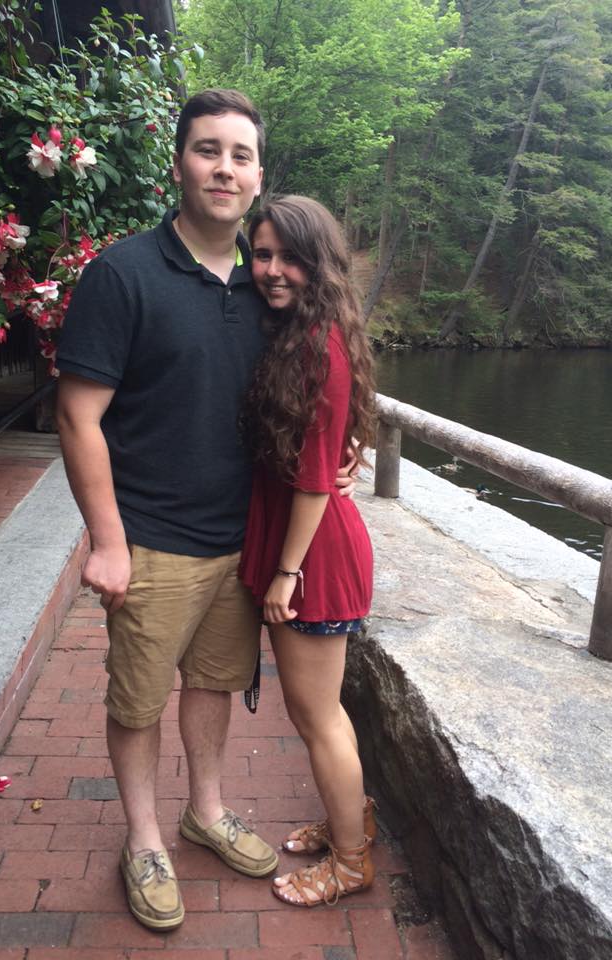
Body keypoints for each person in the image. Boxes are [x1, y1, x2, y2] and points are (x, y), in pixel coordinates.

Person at [55, 90, 356, 932]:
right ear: (180, 162)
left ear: (258, 175)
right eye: (208, 150)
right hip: (152, 539)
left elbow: (322, 381)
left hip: (244, 539)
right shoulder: (123, 274)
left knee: (215, 686)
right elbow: (78, 416)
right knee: (138, 702)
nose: (225, 168)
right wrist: (107, 541)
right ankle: (145, 838)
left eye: (241, 155)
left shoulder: (269, 282)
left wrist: (346, 442)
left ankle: (207, 809)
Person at [239, 195, 378, 907]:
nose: (272, 270)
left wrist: (284, 574)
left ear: (318, 262)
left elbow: (318, 476)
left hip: (314, 558)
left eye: (290, 257)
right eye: (262, 255)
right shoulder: (304, 332)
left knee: (315, 715)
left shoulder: (320, 345)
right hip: (309, 545)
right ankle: (352, 819)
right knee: (323, 712)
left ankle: (350, 862)